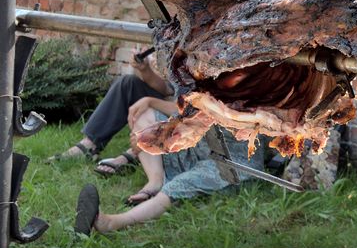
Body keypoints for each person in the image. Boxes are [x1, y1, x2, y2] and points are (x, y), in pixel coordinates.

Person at [72, 93, 265, 235]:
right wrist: (151, 132)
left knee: (178, 186)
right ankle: (155, 182)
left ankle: (112, 223)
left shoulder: (243, 80)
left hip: (232, 165)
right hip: (201, 148)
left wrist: (153, 107)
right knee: (146, 115)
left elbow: (205, 114)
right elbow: (188, 112)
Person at [48, 46, 173, 175]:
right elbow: (168, 89)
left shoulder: (194, 52)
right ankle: (90, 145)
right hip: (172, 104)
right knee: (127, 83)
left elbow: (188, 107)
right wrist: (145, 70)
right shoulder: (181, 39)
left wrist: (150, 101)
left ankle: (135, 153)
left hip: (187, 117)